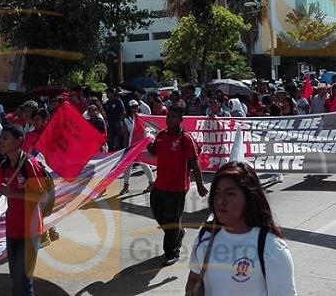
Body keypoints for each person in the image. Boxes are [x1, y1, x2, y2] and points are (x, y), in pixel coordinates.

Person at [186, 162, 297, 295]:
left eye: (230, 194)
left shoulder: (271, 247)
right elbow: (194, 277)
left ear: (250, 198)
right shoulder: (206, 234)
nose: (221, 200)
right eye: (217, 193)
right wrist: (192, 290)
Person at [147, 106, 208, 266]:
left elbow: (194, 163)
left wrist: (200, 185)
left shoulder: (185, 139)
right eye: (168, 117)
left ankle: (171, 253)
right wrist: (148, 145)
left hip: (177, 188)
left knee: (171, 221)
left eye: (174, 117)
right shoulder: (161, 135)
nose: (169, 120)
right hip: (159, 185)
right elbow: (154, 152)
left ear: (181, 120)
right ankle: (178, 233)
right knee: (159, 216)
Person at [0, 124, 47, 296]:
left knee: (23, 281)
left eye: (5, 138)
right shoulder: (4, 166)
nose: (0, 141)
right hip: (12, 228)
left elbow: (42, 196)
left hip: (30, 230)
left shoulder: (30, 165)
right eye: (0, 137)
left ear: (18, 141)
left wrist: (12, 193)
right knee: (16, 278)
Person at [120, 100, 155, 195]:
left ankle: (152, 183)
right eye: (133, 107)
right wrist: (126, 148)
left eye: (136, 106)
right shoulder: (127, 121)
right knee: (128, 166)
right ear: (130, 109)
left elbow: (150, 129)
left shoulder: (143, 118)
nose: (135, 108)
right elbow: (126, 135)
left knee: (144, 164)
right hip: (132, 146)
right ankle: (126, 186)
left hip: (142, 146)